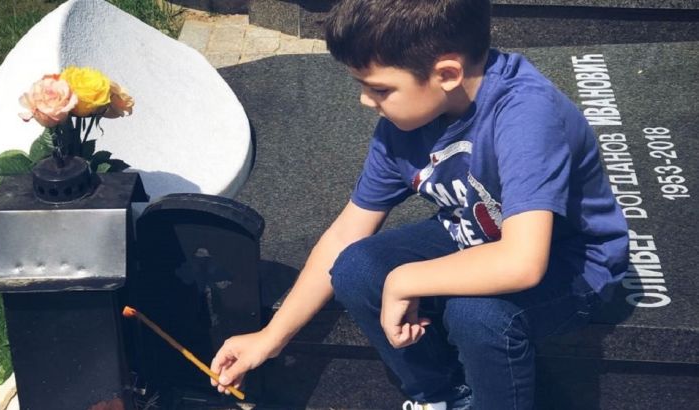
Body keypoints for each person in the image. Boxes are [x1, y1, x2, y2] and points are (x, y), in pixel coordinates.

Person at [210, 0, 629, 408]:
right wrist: (271, 337)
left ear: (447, 73)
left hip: (569, 263)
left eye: (379, 88)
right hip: (476, 231)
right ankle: (443, 395)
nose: (365, 101)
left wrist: (405, 280)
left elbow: (523, 262)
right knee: (355, 267)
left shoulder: (525, 117)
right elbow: (345, 234)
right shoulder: (403, 126)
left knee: (475, 314)